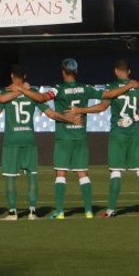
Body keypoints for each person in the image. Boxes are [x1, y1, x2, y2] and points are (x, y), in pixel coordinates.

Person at [70, 60, 139, 217]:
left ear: (116, 71)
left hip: (117, 134)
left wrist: (80, 110)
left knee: (115, 171)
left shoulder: (112, 87)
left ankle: (111, 209)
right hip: (134, 133)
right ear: (129, 71)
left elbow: (102, 107)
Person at [0, 65, 76, 220]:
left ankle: (12, 213)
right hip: (29, 138)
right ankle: (32, 212)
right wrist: (68, 119)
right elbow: (50, 114)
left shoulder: (4, 92)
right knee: (32, 175)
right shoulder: (33, 93)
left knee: (10, 176)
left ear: (11, 76)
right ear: (24, 76)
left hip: (11, 140)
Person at [23, 58, 98, 220]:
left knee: (60, 173)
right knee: (82, 173)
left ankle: (60, 211)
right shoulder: (86, 88)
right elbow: (105, 98)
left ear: (63, 71)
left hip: (64, 137)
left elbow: (41, 98)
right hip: (80, 136)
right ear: (76, 71)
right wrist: (84, 110)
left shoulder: (58, 89)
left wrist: (24, 89)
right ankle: (88, 211)